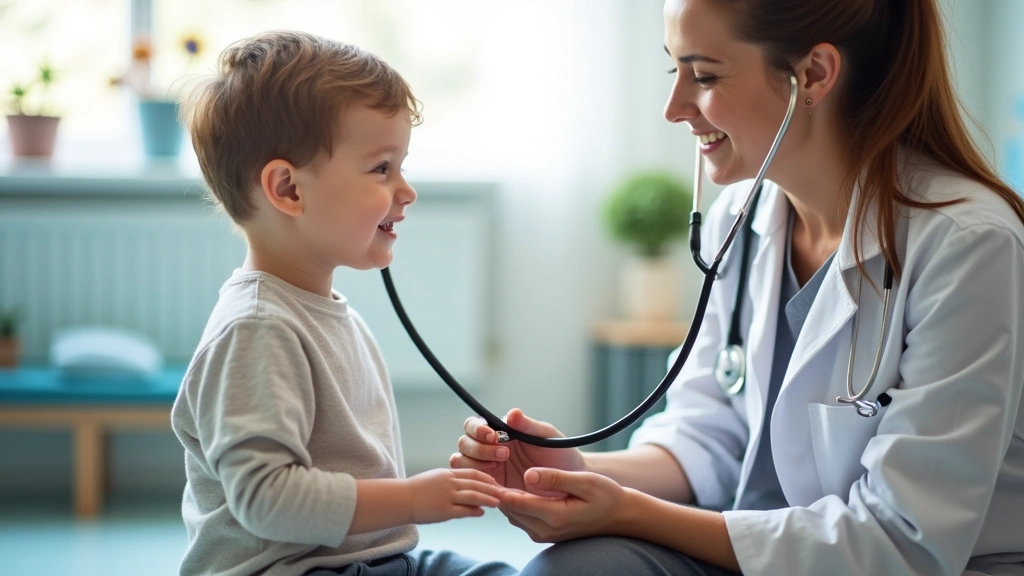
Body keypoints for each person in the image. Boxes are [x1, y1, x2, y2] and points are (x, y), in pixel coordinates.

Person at [452, 0, 1024, 574]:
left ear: (814, 75)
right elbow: (707, 439)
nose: (673, 108)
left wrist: (628, 514)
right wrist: (567, 472)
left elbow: (898, 542)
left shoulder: (968, 243)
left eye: (703, 76)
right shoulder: (739, 222)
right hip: (761, 548)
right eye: (672, 70)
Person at [172, 31, 516, 576]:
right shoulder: (258, 330)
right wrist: (411, 499)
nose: (406, 191)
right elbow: (265, 499)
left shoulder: (323, 311)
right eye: (382, 168)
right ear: (288, 189)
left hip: (372, 560)